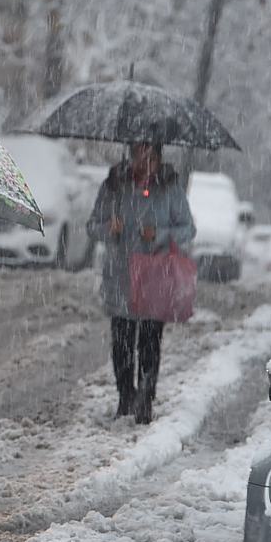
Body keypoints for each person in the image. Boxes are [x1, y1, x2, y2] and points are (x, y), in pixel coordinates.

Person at [86, 142, 196, 424]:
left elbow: (187, 228)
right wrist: (109, 228)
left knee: (149, 341)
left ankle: (145, 399)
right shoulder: (114, 186)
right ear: (131, 155)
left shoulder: (170, 188)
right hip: (120, 275)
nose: (145, 162)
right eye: (139, 154)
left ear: (160, 158)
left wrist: (159, 234)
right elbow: (92, 226)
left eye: (151, 156)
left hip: (154, 278)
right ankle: (125, 396)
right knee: (121, 341)